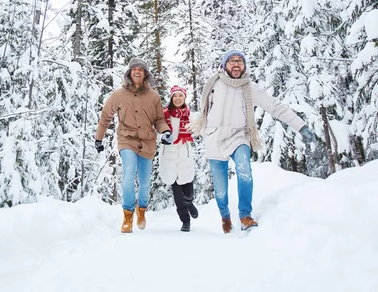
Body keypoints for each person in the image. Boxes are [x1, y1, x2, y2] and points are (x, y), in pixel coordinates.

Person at [191, 49, 315, 234]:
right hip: (214, 139)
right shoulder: (213, 84)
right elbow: (203, 112)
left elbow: (275, 107)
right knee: (221, 192)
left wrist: (300, 125)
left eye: (239, 61)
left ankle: (245, 215)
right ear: (225, 65)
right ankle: (225, 215)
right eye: (232, 60)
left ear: (244, 65)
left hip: (239, 136)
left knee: (245, 171)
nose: (236, 64)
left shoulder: (250, 87)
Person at [95, 58, 174, 233]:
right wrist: (98, 139)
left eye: (141, 69)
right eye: (134, 69)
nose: (137, 72)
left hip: (147, 142)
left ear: (145, 74)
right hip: (127, 139)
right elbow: (106, 116)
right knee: (129, 174)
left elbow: (159, 119)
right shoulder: (118, 95)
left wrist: (165, 131)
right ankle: (127, 215)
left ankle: (142, 210)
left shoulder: (153, 96)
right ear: (129, 73)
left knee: (145, 183)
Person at [159, 85, 199, 232]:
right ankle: (185, 221)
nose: (177, 98)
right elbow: (157, 129)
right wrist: (162, 137)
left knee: (188, 190)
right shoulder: (164, 114)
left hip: (185, 156)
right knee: (177, 194)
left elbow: (197, 129)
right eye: (175, 96)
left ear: (184, 98)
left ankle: (190, 203)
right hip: (169, 157)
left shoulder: (189, 115)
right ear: (171, 98)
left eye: (180, 96)